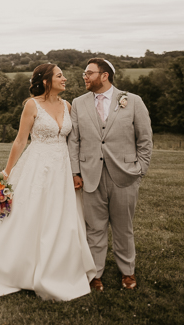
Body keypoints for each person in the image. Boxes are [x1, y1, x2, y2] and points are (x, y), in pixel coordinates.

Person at [0, 63, 97, 301]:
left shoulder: (67, 105)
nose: (65, 79)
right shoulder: (32, 105)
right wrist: (7, 173)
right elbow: (20, 141)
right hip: (38, 165)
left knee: (61, 216)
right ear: (46, 81)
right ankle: (15, 264)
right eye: (60, 76)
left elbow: (74, 142)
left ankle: (61, 264)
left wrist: (76, 171)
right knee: (30, 212)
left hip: (63, 168)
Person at [68, 58, 152, 291]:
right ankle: (95, 274)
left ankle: (127, 272)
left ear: (104, 76)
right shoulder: (78, 103)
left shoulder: (132, 101)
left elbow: (145, 139)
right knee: (94, 228)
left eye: (89, 73)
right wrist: (75, 171)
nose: (84, 76)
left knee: (123, 227)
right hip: (89, 176)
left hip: (125, 176)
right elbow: (74, 141)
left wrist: (140, 170)